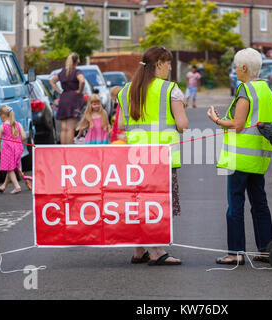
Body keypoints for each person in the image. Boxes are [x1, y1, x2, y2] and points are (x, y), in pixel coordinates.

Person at [207, 48, 272, 265]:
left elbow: (238, 125)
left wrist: (216, 120)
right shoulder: (267, 90)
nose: (235, 70)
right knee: (260, 204)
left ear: (245, 68)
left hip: (239, 159)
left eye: (236, 66)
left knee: (235, 205)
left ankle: (235, 252)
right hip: (259, 157)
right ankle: (266, 249)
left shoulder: (245, 90)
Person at [117, 46, 189, 266]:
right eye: (168, 63)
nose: (169, 67)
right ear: (159, 63)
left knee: (139, 203)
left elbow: (120, 124)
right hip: (161, 158)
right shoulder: (171, 90)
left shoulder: (126, 90)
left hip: (134, 158)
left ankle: (139, 250)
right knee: (157, 205)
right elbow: (182, 124)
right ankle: (157, 251)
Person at [50, 52, 85, 144]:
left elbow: (52, 81)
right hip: (73, 99)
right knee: (70, 128)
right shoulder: (77, 71)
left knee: (64, 128)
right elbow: (82, 81)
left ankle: (63, 149)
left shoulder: (63, 72)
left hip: (63, 98)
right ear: (77, 61)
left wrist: (60, 91)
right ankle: (69, 149)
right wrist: (80, 91)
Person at [0, 105, 27, 194]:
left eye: (0, 115)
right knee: (11, 167)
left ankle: (17, 186)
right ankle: (4, 185)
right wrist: (17, 142)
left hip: (7, 149)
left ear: (3, 115)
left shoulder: (2, 127)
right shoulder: (18, 124)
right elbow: (24, 136)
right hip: (18, 149)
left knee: (9, 169)